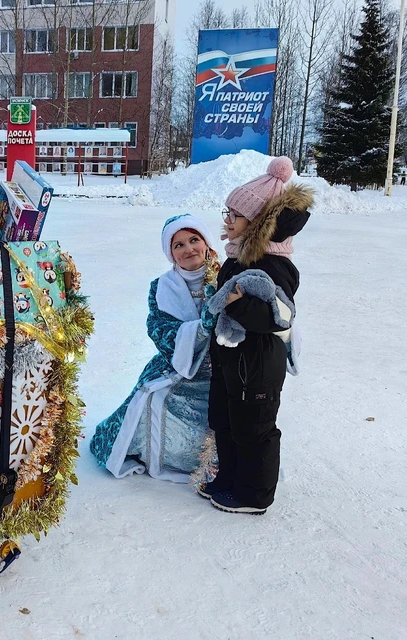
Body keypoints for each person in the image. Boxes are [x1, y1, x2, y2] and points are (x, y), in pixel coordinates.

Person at [199, 157, 312, 515]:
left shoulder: (275, 265)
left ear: (259, 224)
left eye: (235, 215)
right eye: (227, 212)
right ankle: (230, 479)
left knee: (254, 430)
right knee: (227, 423)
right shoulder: (240, 256)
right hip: (233, 362)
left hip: (258, 364)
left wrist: (236, 304)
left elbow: (280, 316)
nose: (226, 220)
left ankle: (254, 494)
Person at [89, 214, 220, 485]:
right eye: (178, 245)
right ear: (171, 253)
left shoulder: (225, 275)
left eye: (194, 240)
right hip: (178, 366)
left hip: (222, 371)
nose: (188, 249)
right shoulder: (161, 287)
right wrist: (202, 326)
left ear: (206, 243)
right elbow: (159, 330)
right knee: (150, 400)